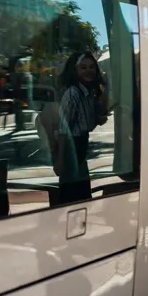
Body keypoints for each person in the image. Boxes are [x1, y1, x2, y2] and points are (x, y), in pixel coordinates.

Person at [55, 52, 108, 204]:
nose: (88, 71)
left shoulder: (89, 92)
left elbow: (82, 121)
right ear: (75, 70)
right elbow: (64, 129)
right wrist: (60, 160)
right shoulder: (72, 94)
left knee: (83, 193)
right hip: (72, 148)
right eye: (83, 67)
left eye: (92, 67)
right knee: (72, 196)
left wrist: (97, 119)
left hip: (82, 146)